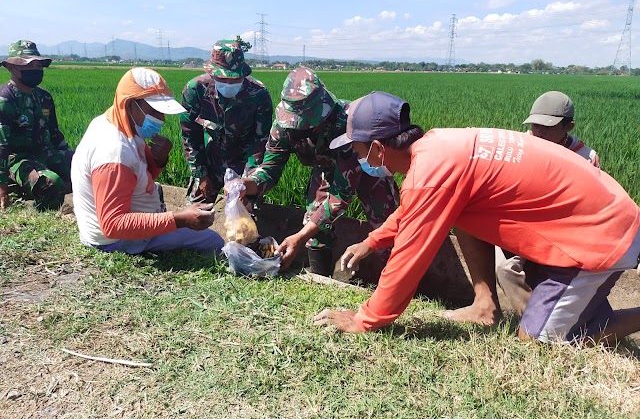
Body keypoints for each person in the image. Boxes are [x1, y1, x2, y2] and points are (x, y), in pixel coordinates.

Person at [314, 91, 640, 345]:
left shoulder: (431, 173)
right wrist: (371, 243)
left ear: (377, 148)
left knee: (540, 342)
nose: (357, 157)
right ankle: (487, 306)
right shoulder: (440, 148)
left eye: (356, 149)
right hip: (592, 221)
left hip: (600, 235)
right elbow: (418, 210)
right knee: (462, 212)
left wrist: (365, 319)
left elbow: (408, 259)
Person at [241, 67, 399, 277]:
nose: (301, 127)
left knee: (388, 227)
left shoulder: (346, 123)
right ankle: (321, 279)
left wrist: (299, 237)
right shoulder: (283, 128)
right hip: (327, 167)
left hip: (369, 169)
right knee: (314, 224)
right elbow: (269, 170)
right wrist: (245, 185)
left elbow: (342, 195)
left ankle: (391, 283)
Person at [71, 67, 224, 255]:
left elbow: (133, 179)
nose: (161, 119)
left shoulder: (117, 124)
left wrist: (158, 160)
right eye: (155, 112)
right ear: (129, 105)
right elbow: (112, 224)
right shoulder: (114, 152)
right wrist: (180, 219)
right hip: (116, 241)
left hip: (117, 229)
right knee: (213, 241)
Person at [496, 91, 600, 316]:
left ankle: (551, 320)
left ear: (568, 126)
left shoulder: (585, 157)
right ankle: (531, 317)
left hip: (563, 230)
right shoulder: (520, 146)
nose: (538, 132)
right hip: (522, 223)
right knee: (504, 267)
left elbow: (589, 204)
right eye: (535, 125)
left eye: (547, 126)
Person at [180, 39, 273, 204]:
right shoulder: (195, 90)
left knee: (245, 219)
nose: (229, 83)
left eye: (235, 79)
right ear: (212, 73)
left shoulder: (258, 94)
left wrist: (247, 181)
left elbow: (260, 140)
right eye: (223, 79)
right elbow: (190, 135)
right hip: (210, 162)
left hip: (245, 162)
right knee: (195, 215)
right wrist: (200, 175)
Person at [0, 40, 74, 211]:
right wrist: (1, 187)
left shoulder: (44, 98)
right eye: (28, 65)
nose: (36, 70)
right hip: (17, 160)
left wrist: (73, 157)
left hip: (46, 153)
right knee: (51, 184)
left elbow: (55, 133)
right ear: (12, 67)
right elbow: (1, 146)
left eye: (38, 65)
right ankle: (27, 204)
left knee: (88, 167)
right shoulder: (5, 99)